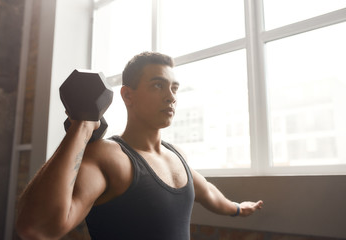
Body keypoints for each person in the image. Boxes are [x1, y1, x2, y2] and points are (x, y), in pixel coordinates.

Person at [16, 52, 263, 240]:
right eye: (158, 85)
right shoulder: (108, 157)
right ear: (127, 95)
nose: (171, 96)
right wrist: (82, 124)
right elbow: (38, 227)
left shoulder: (176, 155)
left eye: (174, 87)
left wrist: (239, 208)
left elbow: (207, 192)